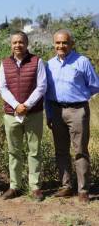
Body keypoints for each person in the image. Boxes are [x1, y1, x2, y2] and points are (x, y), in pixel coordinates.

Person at [45, 29, 99, 203]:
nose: (61, 46)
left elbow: (94, 86)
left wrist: (80, 98)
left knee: (80, 151)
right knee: (61, 151)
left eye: (65, 42)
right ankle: (66, 186)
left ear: (71, 44)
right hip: (56, 110)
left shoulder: (82, 62)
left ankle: (83, 190)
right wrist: (49, 114)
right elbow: (46, 92)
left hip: (77, 111)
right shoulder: (49, 64)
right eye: (58, 43)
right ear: (54, 44)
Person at [0, 31, 47, 201]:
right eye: (14, 42)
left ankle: (35, 187)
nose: (17, 45)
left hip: (33, 113)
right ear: (10, 45)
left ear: (27, 44)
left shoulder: (37, 61)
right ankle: (14, 186)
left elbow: (41, 87)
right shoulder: (4, 64)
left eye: (21, 42)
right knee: (14, 151)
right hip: (12, 115)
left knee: (34, 151)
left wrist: (26, 105)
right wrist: (16, 106)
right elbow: (2, 88)